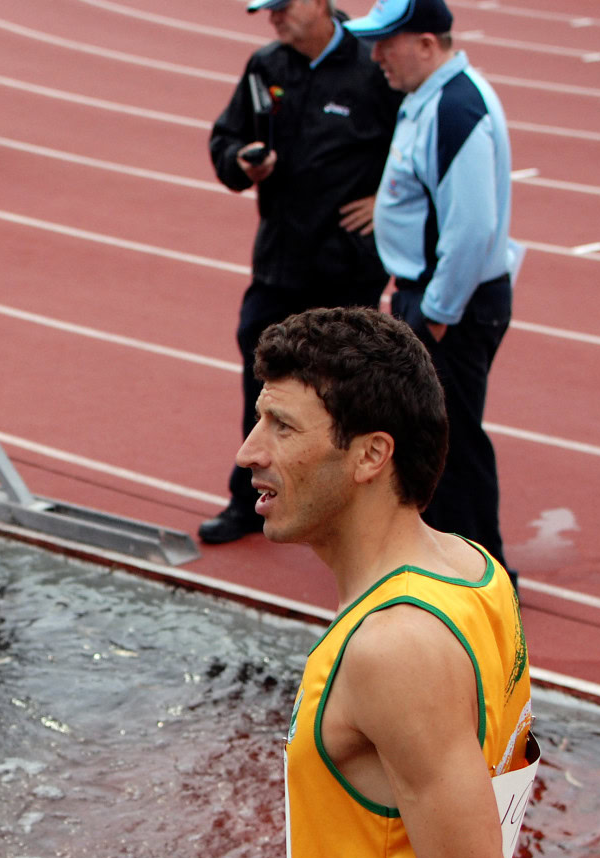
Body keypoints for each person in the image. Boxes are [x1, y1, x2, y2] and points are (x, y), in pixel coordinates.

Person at [234, 308, 537, 858]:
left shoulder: (390, 647)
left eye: (281, 426)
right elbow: (456, 799)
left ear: (370, 455)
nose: (250, 451)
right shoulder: (471, 574)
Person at [200, 0, 400, 546]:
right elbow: (225, 138)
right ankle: (250, 502)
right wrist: (242, 161)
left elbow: (415, 147)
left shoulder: (372, 65)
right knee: (263, 385)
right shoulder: (267, 65)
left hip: (345, 264)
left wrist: (388, 200)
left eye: (283, 7)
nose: (274, 18)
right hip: (280, 260)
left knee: (344, 390)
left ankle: (353, 507)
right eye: (267, 10)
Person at [347, 0, 523, 578]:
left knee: (454, 441)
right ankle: (450, 561)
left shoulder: (455, 106)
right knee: (436, 433)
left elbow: (472, 227)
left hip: (449, 303)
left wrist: (437, 313)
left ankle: (485, 576)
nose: (376, 56)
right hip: (429, 294)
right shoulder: (433, 97)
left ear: (426, 43)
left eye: (386, 43)